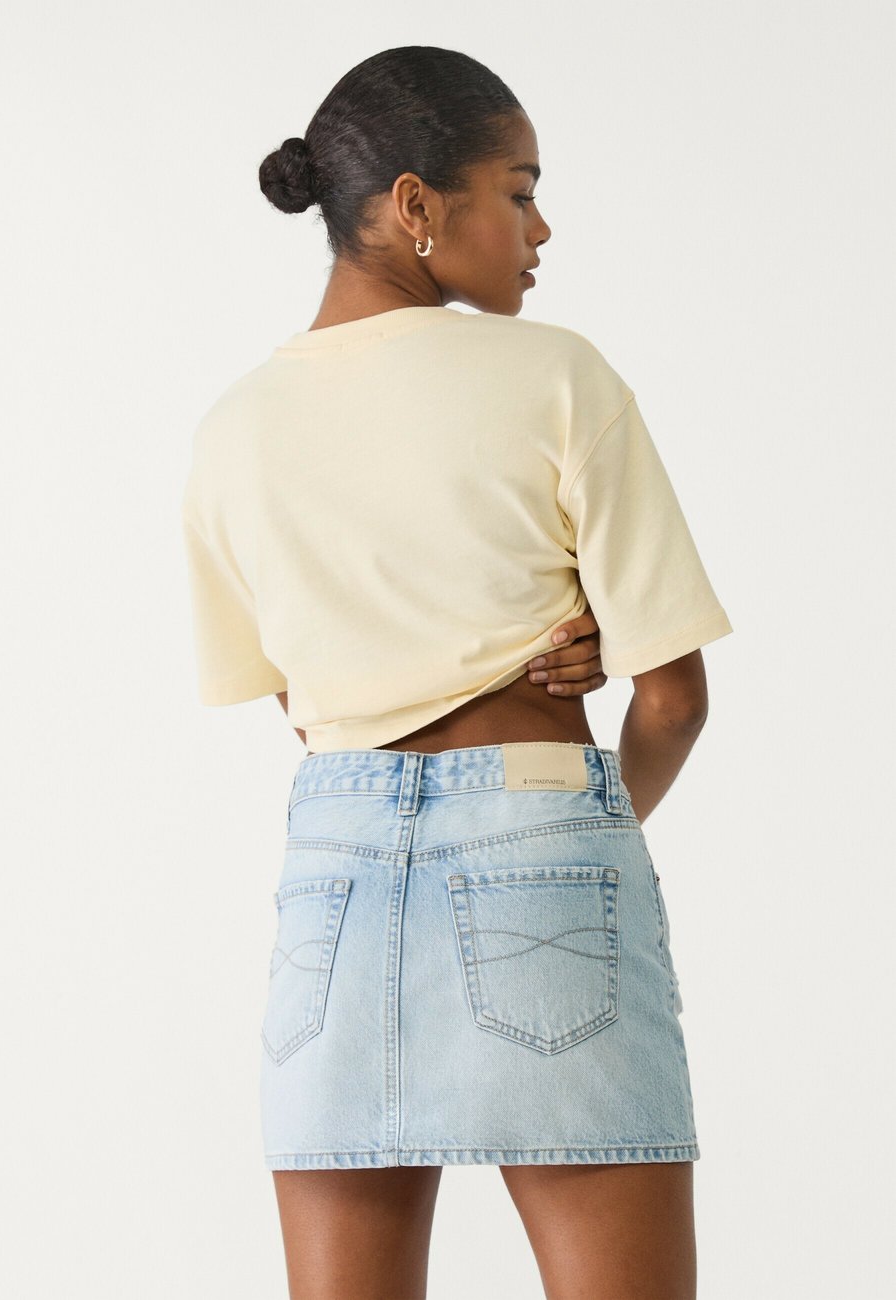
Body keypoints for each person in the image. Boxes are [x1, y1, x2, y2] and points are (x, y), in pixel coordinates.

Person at [181, 44, 733, 1300]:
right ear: (416, 204)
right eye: (520, 190)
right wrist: (561, 832)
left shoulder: (229, 429)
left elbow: (310, 703)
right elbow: (674, 698)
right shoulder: (556, 376)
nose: (542, 227)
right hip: (544, 839)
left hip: (331, 877)